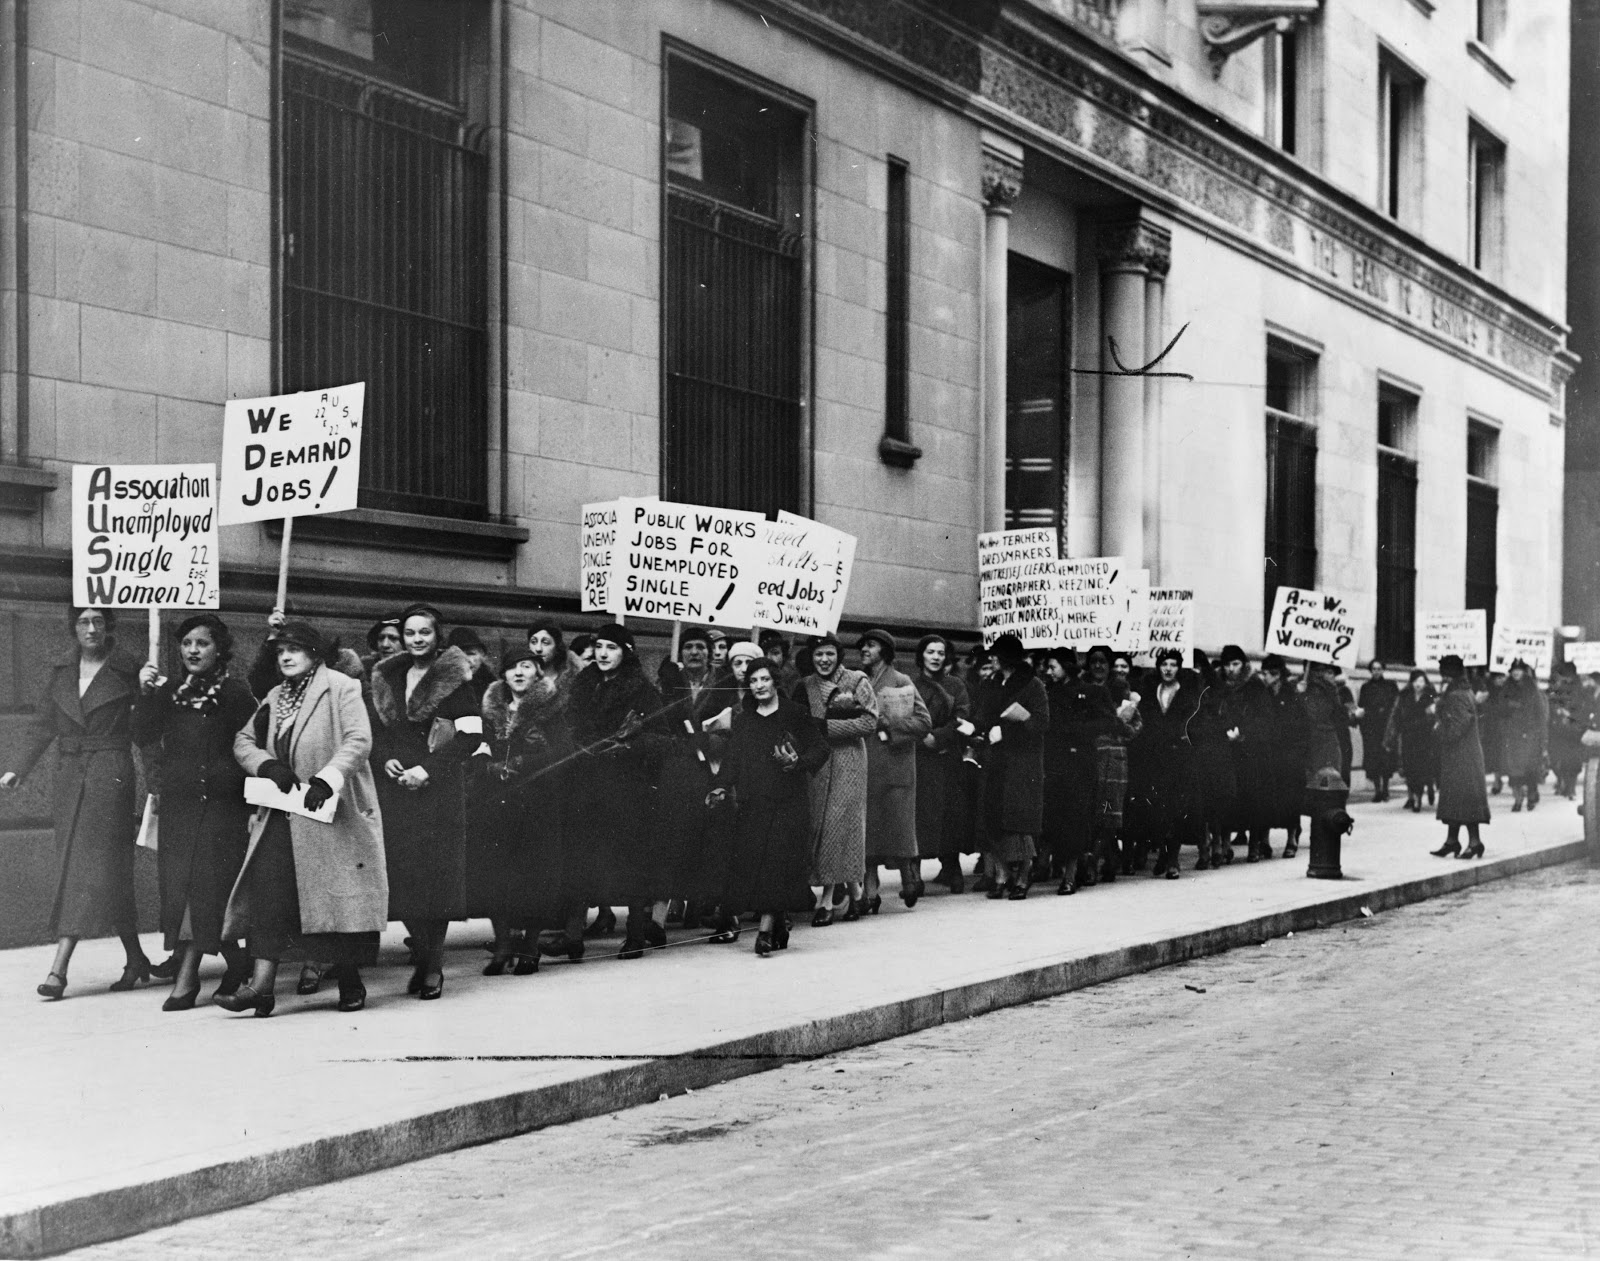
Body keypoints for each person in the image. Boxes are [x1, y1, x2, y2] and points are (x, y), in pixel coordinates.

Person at [221, 620, 388, 1016]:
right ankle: (260, 987)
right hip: (283, 811)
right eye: (280, 651)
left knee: (333, 899)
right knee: (270, 895)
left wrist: (327, 779)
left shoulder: (341, 687)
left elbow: (358, 740)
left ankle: (349, 981)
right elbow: (243, 740)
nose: (286, 657)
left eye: (295, 649)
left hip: (330, 810)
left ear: (315, 653)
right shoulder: (277, 696)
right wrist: (266, 765)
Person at [2, 608, 148, 1000]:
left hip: (109, 774)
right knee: (104, 867)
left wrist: (151, 691)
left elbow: (147, 731)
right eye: (83, 621)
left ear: (109, 626)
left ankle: (59, 968)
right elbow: (43, 725)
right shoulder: (61, 673)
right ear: (73, 627)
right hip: (69, 777)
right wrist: (19, 768)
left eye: (98, 620)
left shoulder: (130, 671)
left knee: (86, 865)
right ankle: (135, 957)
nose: (91, 628)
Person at [131, 614, 258, 1010]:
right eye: (186, 644)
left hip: (223, 806)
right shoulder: (170, 692)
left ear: (219, 649)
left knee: (203, 891)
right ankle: (238, 962)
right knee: (183, 890)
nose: (192, 651)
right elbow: (142, 734)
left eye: (201, 643)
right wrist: (146, 693)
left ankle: (187, 981)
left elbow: (253, 744)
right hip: (181, 806)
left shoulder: (237, 693)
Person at [369, 603, 486, 1000]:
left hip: (438, 794)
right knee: (403, 879)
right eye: (410, 633)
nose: (417, 640)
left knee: (436, 880)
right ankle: (423, 954)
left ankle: (433, 965)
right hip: (398, 793)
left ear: (438, 637)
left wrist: (429, 769)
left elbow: (471, 737)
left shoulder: (456, 681)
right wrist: (385, 758)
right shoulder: (389, 676)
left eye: (425, 633)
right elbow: (378, 733)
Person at [554, 623, 670, 961]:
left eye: (612, 648)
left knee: (630, 860)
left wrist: (630, 746)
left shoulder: (642, 690)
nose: (603, 654)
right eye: (599, 646)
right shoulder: (582, 684)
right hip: (584, 784)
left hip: (627, 788)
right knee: (578, 858)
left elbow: (664, 739)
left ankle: (635, 935)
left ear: (627, 652)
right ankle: (573, 937)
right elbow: (566, 726)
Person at [709, 661, 830, 954]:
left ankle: (763, 933)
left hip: (789, 800)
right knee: (758, 866)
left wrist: (798, 762)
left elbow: (820, 748)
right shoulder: (744, 719)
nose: (759, 685)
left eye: (765, 679)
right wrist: (721, 785)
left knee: (777, 863)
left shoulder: (794, 713)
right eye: (754, 680)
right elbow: (733, 759)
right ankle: (776, 923)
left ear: (775, 681)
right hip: (754, 801)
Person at [468, 644, 573, 975]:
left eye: (526, 666)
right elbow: (474, 744)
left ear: (538, 673)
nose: (519, 673)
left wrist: (524, 762)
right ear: (503, 676)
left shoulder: (552, 709)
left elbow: (565, 752)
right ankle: (502, 947)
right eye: (512, 668)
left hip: (538, 804)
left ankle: (529, 946)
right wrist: (487, 765)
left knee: (534, 877)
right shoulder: (490, 709)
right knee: (497, 875)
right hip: (496, 804)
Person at [655, 626, 737, 935]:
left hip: (714, 769)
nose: (694, 652)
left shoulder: (725, 685)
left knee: (714, 844)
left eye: (700, 647)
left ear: (709, 652)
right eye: (688, 647)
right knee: (674, 841)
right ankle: (658, 920)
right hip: (678, 770)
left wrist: (714, 738)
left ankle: (719, 913)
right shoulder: (669, 686)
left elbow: (734, 723)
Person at [795, 632, 877, 923]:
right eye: (818, 654)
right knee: (822, 825)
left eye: (829, 653)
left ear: (838, 655)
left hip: (848, 763)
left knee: (837, 826)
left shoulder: (856, 681)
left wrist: (827, 728)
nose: (824, 659)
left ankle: (827, 903)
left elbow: (870, 721)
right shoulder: (805, 685)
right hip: (818, 765)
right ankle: (857, 896)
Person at [857, 629, 932, 911]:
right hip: (868, 768)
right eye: (863, 645)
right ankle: (870, 893)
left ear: (885, 651)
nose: (865, 649)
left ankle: (909, 879)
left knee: (899, 830)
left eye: (871, 645)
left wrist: (890, 725)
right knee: (870, 834)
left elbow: (924, 722)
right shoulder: (860, 681)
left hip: (897, 768)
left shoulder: (901, 681)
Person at [972, 633, 1049, 898]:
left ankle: (1024, 875)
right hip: (995, 760)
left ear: (1008, 659)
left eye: (995, 655)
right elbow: (983, 715)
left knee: (1020, 822)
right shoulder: (991, 683)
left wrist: (1007, 732)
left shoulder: (1033, 685)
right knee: (993, 818)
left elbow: (1040, 723)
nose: (991, 658)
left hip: (1022, 763)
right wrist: (975, 726)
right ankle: (1003, 874)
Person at [1127, 648, 1201, 878]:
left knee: (1176, 809)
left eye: (1173, 664)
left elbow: (1195, 724)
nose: (1168, 669)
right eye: (1164, 664)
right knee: (1156, 808)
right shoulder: (1150, 692)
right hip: (1154, 758)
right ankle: (1162, 855)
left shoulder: (1188, 695)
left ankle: (1172, 859)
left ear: (1179, 668)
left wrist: (1185, 737)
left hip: (1179, 758)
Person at [912, 634, 973, 893]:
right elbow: (905, 717)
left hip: (948, 756)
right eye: (930, 652)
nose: (936, 657)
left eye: (940, 652)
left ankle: (952, 866)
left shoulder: (956, 685)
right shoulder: (911, 685)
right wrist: (921, 738)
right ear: (921, 656)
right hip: (920, 759)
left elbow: (962, 718)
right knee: (920, 813)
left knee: (951, 812)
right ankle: (914, 872)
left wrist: (936, 738)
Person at [1430, 654, 1490, 859]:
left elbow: (1457, 727)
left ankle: (1475, 843)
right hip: (1462, 754)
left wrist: (1438, 727)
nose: (1442, 679)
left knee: (1465, 799)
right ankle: (1452, 841)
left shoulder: (1456, 695)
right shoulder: (1463, 692)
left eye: (1444, 675)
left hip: (1462, 756)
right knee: (1456, 798)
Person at [1385, 670, 1439, 812]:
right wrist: (1391, 736)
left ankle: (1420, 797)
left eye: (1421, 681)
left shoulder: (1431, 694)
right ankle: (1413, 796)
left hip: (1425, 737)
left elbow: (1437, 711)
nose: (1418, 684)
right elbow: (1396, 715)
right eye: (1416, 681)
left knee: (1423, 768)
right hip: (1408, 736)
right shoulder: (1404, 695)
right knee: (1410, 768)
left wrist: (1432, 712)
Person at [1497, 659, 1547, 812]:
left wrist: (1541, 738)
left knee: (1530, 768)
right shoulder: (1506, 689)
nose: (1516, 673)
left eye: (1519, 670)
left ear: (1524, 672)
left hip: (1530, 735)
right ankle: (1518, 798)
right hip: (1512, 735)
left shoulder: (1533, 690)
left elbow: (1540, 715)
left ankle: (1531, 795)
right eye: (1513, 671)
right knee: (1514, 769)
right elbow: (1500, 711)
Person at [1357, 661, 1401, 802]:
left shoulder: (1390, 686)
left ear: (1383, 670)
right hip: (1371, 728)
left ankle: (1386, 789)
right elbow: (1361, 706)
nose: (1376, 671)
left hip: (1385, 728)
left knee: (1386, 759)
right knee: (1373, 760)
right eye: (1374, 669)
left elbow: (1396, 706)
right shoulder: (1366, 687)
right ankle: (1377, 790)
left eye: (1379, 669)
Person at [1548, 661, 1585, 799]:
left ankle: (1571, 788)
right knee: (1558, 760)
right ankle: (1563, 782)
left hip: (1573, 730)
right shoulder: (1559, 687)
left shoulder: (1580, 688)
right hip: (1559, 730)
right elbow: (1552, 702)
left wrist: (1570, 715)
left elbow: (1583, 708)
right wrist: (1557, 710)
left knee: (1573, 762)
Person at [447, 627, 496, 706]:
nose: (466, 659)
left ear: (482, 655)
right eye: (458, 654)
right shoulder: (439, 686)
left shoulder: (494, 689)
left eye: (471, 653)